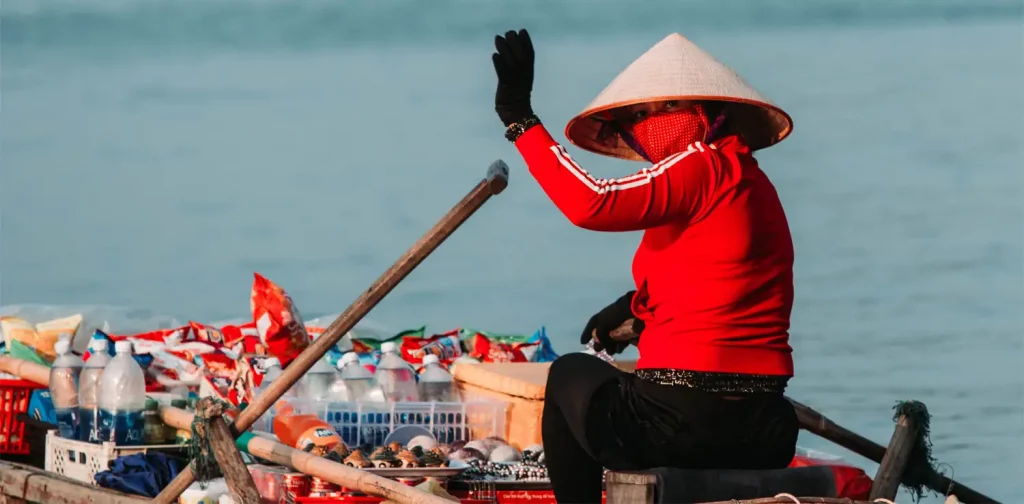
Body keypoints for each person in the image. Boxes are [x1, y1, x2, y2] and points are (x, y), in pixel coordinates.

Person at [491, 29, 800, 502]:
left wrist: (520, 120)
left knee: (569, 375)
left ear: (702, 110)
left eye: (656, 110)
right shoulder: (753, 186)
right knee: (623, 381)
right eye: (635, 118)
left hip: (682, 423)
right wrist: (634, 309)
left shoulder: (701, 165)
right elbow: (717, 286)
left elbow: (590, 204)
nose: (644, 126)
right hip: (768, 431)